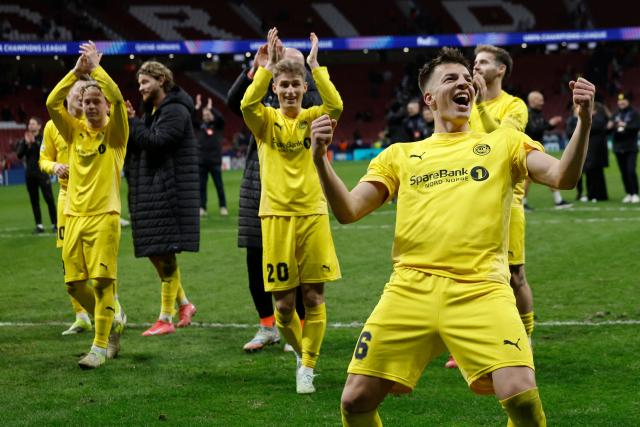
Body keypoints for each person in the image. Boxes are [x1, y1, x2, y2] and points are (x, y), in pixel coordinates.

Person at [309, 47, 595, 427]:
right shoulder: (399, 154)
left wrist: (584, 121)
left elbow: (563, 177)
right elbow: (347, 211)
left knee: (521, 396)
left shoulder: (504, 142)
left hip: (481, 288)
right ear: (428, 99)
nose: (464, 83)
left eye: (466, 78)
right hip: (409, 289)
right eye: (450, 79)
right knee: (354, 401)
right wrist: (319, 160)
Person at [240, 28, 343, 393]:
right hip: (276, 217)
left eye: (294, 85)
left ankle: (308, 367)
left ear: (303, 88)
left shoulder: (315, 117)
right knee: (283, 307)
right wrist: (265, 67)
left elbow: (336, 107)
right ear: (275, 88)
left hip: (313, 214)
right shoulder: (265, 121)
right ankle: (302, 354)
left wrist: (316, 67)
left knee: (313, 298)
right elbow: (245, 105)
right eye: (282, 85)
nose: (288, 91)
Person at [227, 42, 320, 353]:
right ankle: (266, 326)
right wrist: (258, 68)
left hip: (295, 192)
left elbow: (322, 108)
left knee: (298, 264)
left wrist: (307, 72)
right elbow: (233, 103)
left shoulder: (306, 95)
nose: (286, 68)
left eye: (294, 66)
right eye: (281, 63)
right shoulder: (265, 90)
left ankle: (301, 330)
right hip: (257, 183)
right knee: (255, 257)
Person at [46, 41, 128, 369]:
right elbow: (52, 102)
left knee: (103, 282)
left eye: (97, 102)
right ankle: (113, 318)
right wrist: (76, 73)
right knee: (73, 283)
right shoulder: (74, 132)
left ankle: (99, 346)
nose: (91, 106)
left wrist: (96, 69)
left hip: (105, 217)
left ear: (106, 106)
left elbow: (120, 99)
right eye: (86, 101)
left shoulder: (116, 135)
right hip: (73, 216)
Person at [454, 44, 533, 371]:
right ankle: (469, 346)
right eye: (475, 61)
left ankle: (525, 340)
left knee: (514, 275)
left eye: (484, 61)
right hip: (467, 202)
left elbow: (504, 143)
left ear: (500, 70)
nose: (477, 65)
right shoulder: (463, 107)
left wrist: (482, 103)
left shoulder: (514, 105)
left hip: (505, 203)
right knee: (464, 275)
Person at [125, 60, 199, 336]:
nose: (141, 88)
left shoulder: (176, 110)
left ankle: (165, 318)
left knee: (163, 253)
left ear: (161, 80)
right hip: (157, 190)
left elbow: (157, 143)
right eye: (139, 83)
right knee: (156, 252)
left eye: (145, 82)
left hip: (170, 191)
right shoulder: (155, 111)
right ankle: (185, 304)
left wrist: (134, 122)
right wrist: (135, 121)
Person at [40, 77, 93, 335]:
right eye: (78, 92)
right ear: (68, 97)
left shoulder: (90, 126)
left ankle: (110, 307)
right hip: (65, 199)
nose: (81, 97)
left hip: (90, 200)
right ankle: (81, 315)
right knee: (68, 261)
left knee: (95, 261)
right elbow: (43, 159)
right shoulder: (52, 127)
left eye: (85, 92)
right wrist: (54, 167)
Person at [524, 90, 573, 209]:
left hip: (538, 148)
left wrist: (552, 124)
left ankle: (558, 200)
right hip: (528, 150)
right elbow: (533, 130)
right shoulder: (526, 114)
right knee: (527, 179)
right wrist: (549, 124)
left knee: (550, 172)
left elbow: (543, 127)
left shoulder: (538, 113)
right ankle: (522, 203)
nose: (542, 102)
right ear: (532, 101)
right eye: (540, 100)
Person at [16, 116, 57, 233]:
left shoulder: (43, 139)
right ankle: (39, 225)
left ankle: (55, 224)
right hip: (30, 175)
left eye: (33, 124)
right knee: (34, 200)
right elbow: (19, 155)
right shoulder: (25, 139)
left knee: (49, 199)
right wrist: (25, 143)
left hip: (42, 173)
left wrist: (33, 143)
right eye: (29, 124)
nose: (31, 126)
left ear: (39, 126)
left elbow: (46, 153)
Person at [566, 102, 610, 201]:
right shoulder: (574, 119)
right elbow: (569, 132)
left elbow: (594, 127)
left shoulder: (598, 117)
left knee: (594, 172)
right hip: (584, 150)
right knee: (588, 173)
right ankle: (590, 194)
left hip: (596, 151)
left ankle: (596, 195)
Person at [194, 94, 228, 216]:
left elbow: (221, 118)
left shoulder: (217, 125)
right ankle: (202, 207)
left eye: (208, 113)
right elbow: (191, 117)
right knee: (201, 187)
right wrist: (197, 106)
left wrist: (211, 108)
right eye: (205, 113)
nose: (206, 115)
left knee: (219, 185)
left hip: (215, 161)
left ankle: (223, 206)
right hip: (202, 162)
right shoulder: (200, 126)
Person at [609, 92, 639, 203]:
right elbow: (608, 130)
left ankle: (635, 193)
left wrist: (625, 125)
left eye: (623, 100)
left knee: (631, 170)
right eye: (619, 100)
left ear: (628, 101)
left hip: (631, 147)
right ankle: (628, 193)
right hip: (618, 147)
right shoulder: (615, 114)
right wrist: (609, 126)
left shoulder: (634, 113)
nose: (621, 102)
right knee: (623, 172)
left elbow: (636, 126)